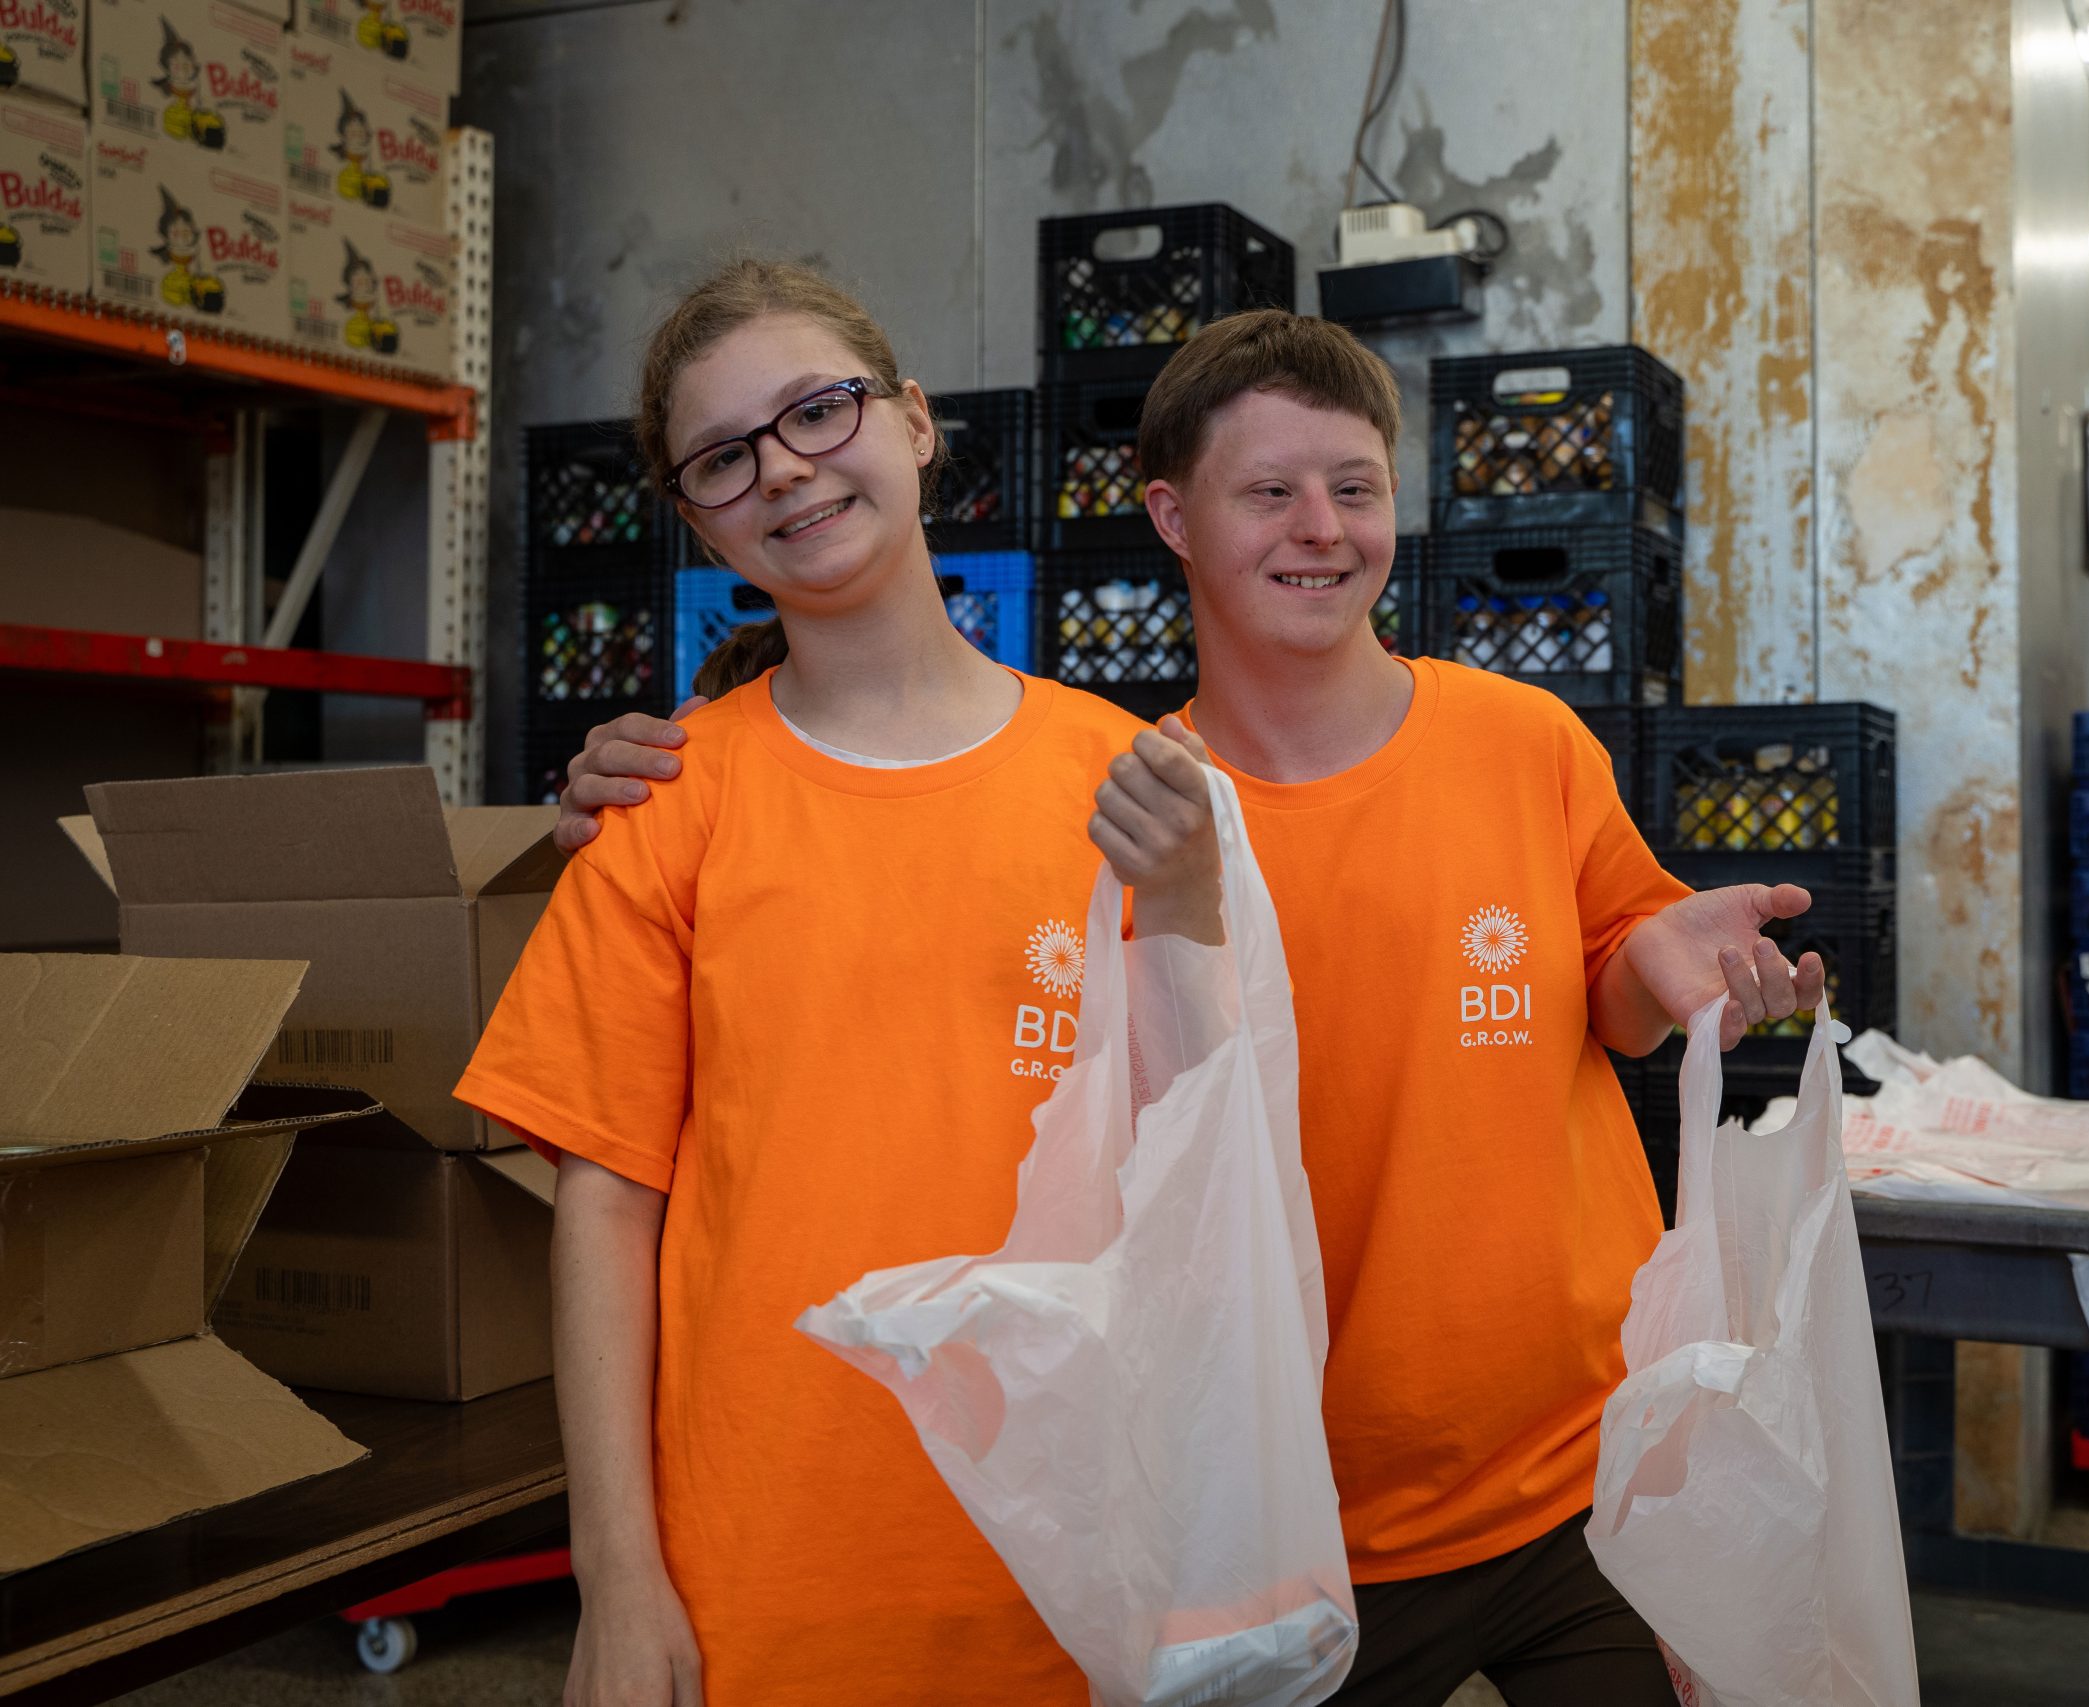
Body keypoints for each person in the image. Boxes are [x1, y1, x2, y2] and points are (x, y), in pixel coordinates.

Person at [559, 309, 1823, 1706]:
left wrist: (1657, 965)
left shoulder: (1480, 749)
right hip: (1285, 1506)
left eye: (1353, 488)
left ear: (915, 422)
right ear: (1169, 515)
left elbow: (1604, 977)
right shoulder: (1131, 803)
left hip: (1564, 1465)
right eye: (1268, 491)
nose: (1319, 528)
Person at [458, 258, 1229, 1707]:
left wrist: (1193, 911)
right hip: (765, 1573)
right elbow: (605, 1210)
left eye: (820, 411)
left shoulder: (1124, 788)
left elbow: (1212, 1168)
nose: (788, 472)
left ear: (918, 422)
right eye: (727, 456)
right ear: (697, 520)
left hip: (1077, 1558)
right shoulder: (666, 812)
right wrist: (617, 1579)